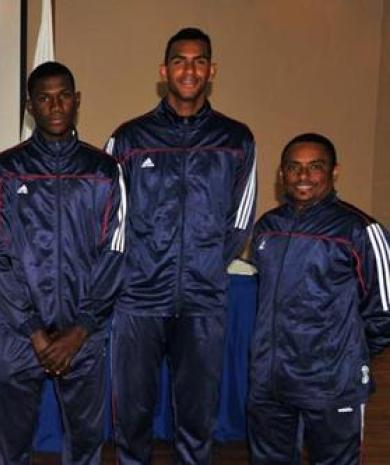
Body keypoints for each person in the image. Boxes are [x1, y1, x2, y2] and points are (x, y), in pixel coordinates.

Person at [105, 27, 256, 464]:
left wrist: (206, 263)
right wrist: (139, 269)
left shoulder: (236, 139)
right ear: (163, 70)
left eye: (198, 61)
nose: (189, 69)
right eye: (179, 60)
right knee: (132, 417)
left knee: (197, 418)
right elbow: (110, 219)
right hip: (139, 299)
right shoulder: (129, 139)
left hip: (203, 300)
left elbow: (240, 221)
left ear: (212, 71)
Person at [0, 61, 126, 465]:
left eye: (63, 95)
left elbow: (117, 252)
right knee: (13, 445)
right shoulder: (4, 169)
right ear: (31, 106)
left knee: (85, 445)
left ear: (77, 100)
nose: (56, 105)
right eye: (44, 98)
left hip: (84, 333)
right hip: (20, 335)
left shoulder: (105, 171)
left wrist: (80, 330)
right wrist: (35, 332)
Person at [248, 133, 390, 464]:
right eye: (294, 167)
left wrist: (345, 358)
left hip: (330, 386)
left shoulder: (360, 229)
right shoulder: (268, 227)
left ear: (334, 172)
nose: (303, 176)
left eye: (315, 167)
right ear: (281, 174)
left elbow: (384, 312)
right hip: (269, 384)